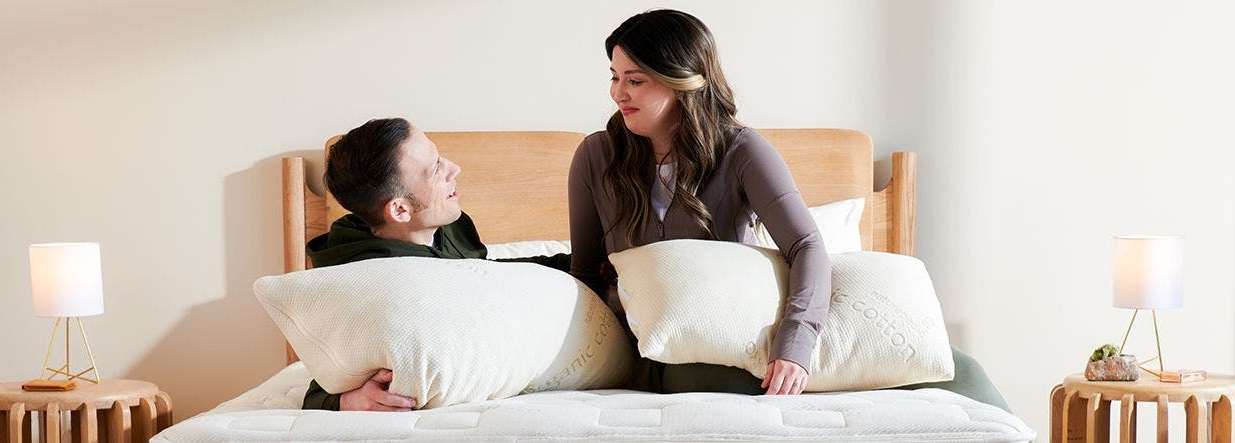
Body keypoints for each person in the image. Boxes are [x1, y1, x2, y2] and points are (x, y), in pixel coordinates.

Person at [568, 9, 1011, 411]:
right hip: (665, 348)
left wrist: (794, 346)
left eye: (635, 80)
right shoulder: (596, 156)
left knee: (961, 370)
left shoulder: (741, 151)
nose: (617, 93)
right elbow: (585, 274)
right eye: (615, 76)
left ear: (683, 79)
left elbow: (806, 245)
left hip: (739, 330)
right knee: (709, 383)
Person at [301, 117, 569, 411]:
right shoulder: (364, 280)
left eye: (440, 157)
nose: (455, 168)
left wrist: (581, 262)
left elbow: (486, 274)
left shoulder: (446, 228)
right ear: (400, 209)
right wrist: (348, 401)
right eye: (436, 169)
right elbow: (323, 378)